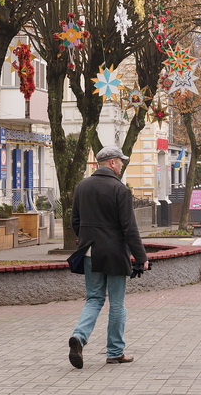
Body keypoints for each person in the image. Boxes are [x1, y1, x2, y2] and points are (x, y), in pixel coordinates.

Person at [69, 146, 149, 368]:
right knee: (116, 303)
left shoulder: (82, 187)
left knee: (93, 299)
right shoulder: (119, 189)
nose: (122, 165)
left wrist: (85, 239)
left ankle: (79, 336)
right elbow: (129, 228)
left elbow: (75, 221)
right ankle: (115, 352)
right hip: (114, 253)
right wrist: (141, 256)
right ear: (112, 163)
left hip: (88, 252)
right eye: (121, 161)